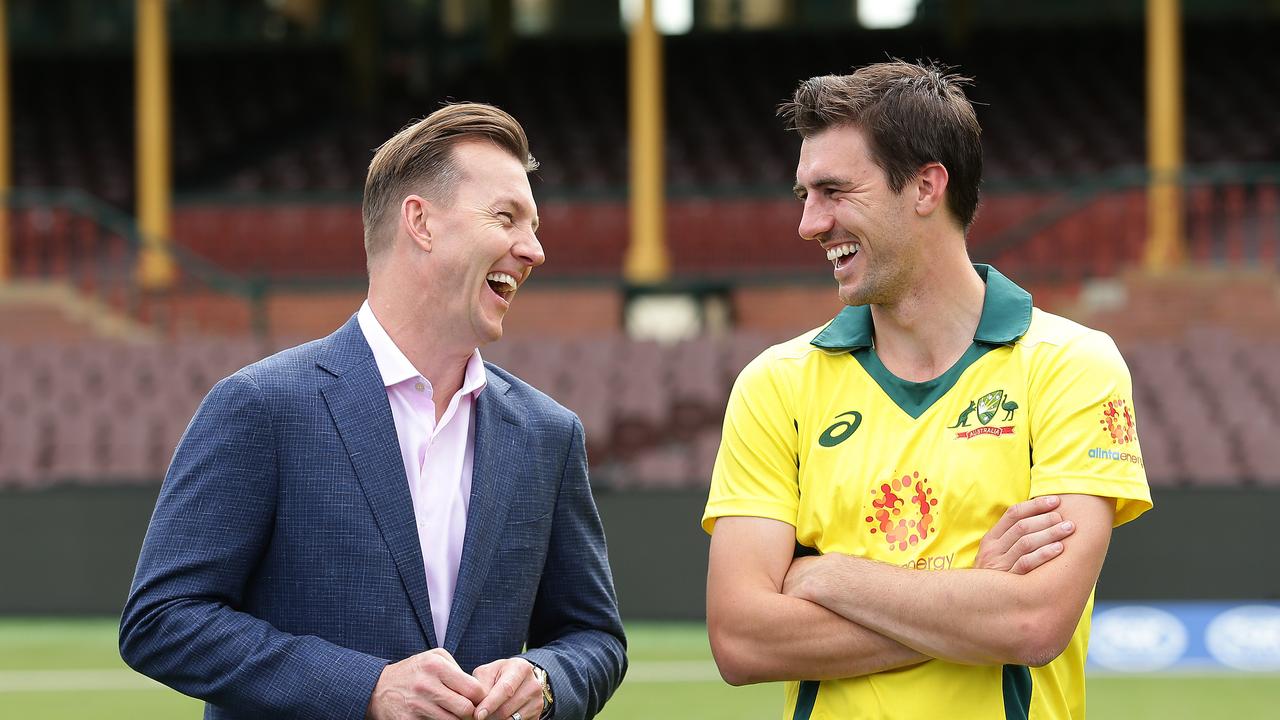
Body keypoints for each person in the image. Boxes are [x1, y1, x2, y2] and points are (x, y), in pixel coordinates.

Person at [121, 103, 627, 720]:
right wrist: (366, 687)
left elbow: (595, 638)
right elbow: (161, 620)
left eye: (535, 224)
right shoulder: (260, 406)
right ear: (421, 222)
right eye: (507, 218)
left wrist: (547, 679)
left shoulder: (548, 434)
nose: (534, 250)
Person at [702, 61, 1151, 719]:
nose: (809, 223)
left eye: (832, 190)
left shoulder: (1073, 366)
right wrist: (972, 597)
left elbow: (1032, 623)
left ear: (925, 187)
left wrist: (825, 576)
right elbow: (741, 640)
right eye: (803, 195)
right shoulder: (775, 384)